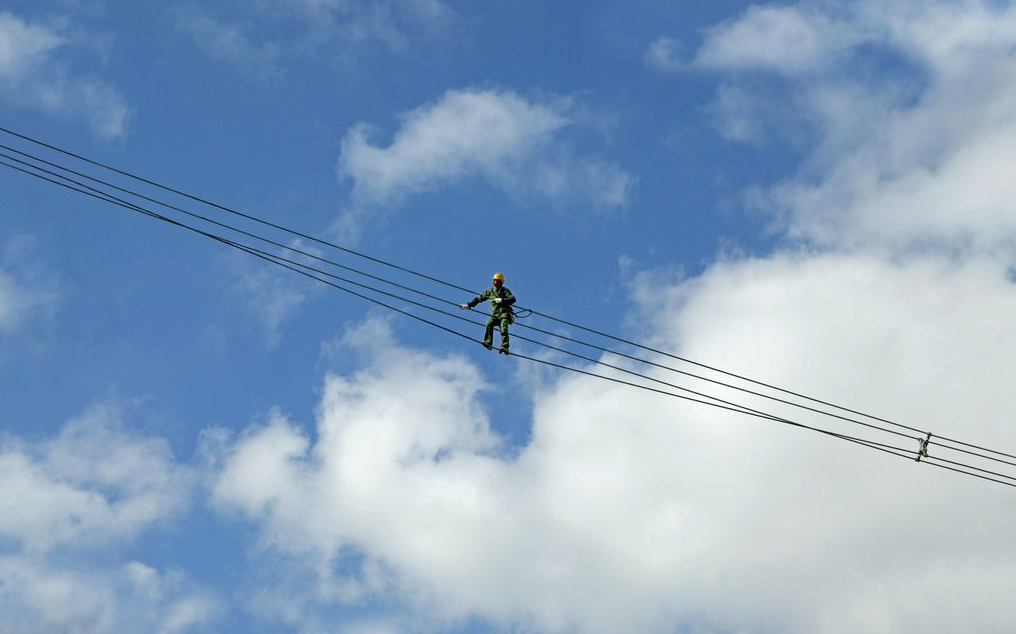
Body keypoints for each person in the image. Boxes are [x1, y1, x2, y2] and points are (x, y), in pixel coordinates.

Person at [460, 272, 516, 354]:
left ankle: (505, 346)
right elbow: (480, 298)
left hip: (504, 313)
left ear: (502, 282)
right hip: (496, 315)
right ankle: (488, 343)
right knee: (489, 323)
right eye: (495, 281)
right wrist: (469, 305)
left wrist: (502, 300)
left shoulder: (505, 291)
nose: (496, 283)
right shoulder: (490, 291)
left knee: (503, 328)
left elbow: (513, 299)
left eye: (498, 281)